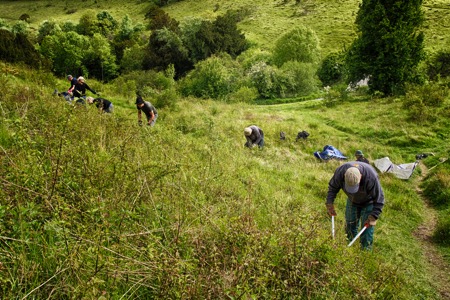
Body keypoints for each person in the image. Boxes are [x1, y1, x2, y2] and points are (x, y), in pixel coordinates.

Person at [325, 161, 385, 250]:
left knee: (366, 230)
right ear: (345, 176)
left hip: (369, 202)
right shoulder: (340, 172)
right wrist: (329, 204)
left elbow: (379, 199)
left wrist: (374, 216)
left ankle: (365, 253)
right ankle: (349, 250)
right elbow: (332, 188)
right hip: (352, 200)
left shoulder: (371, 177)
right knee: (350, 225)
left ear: (360, 177)